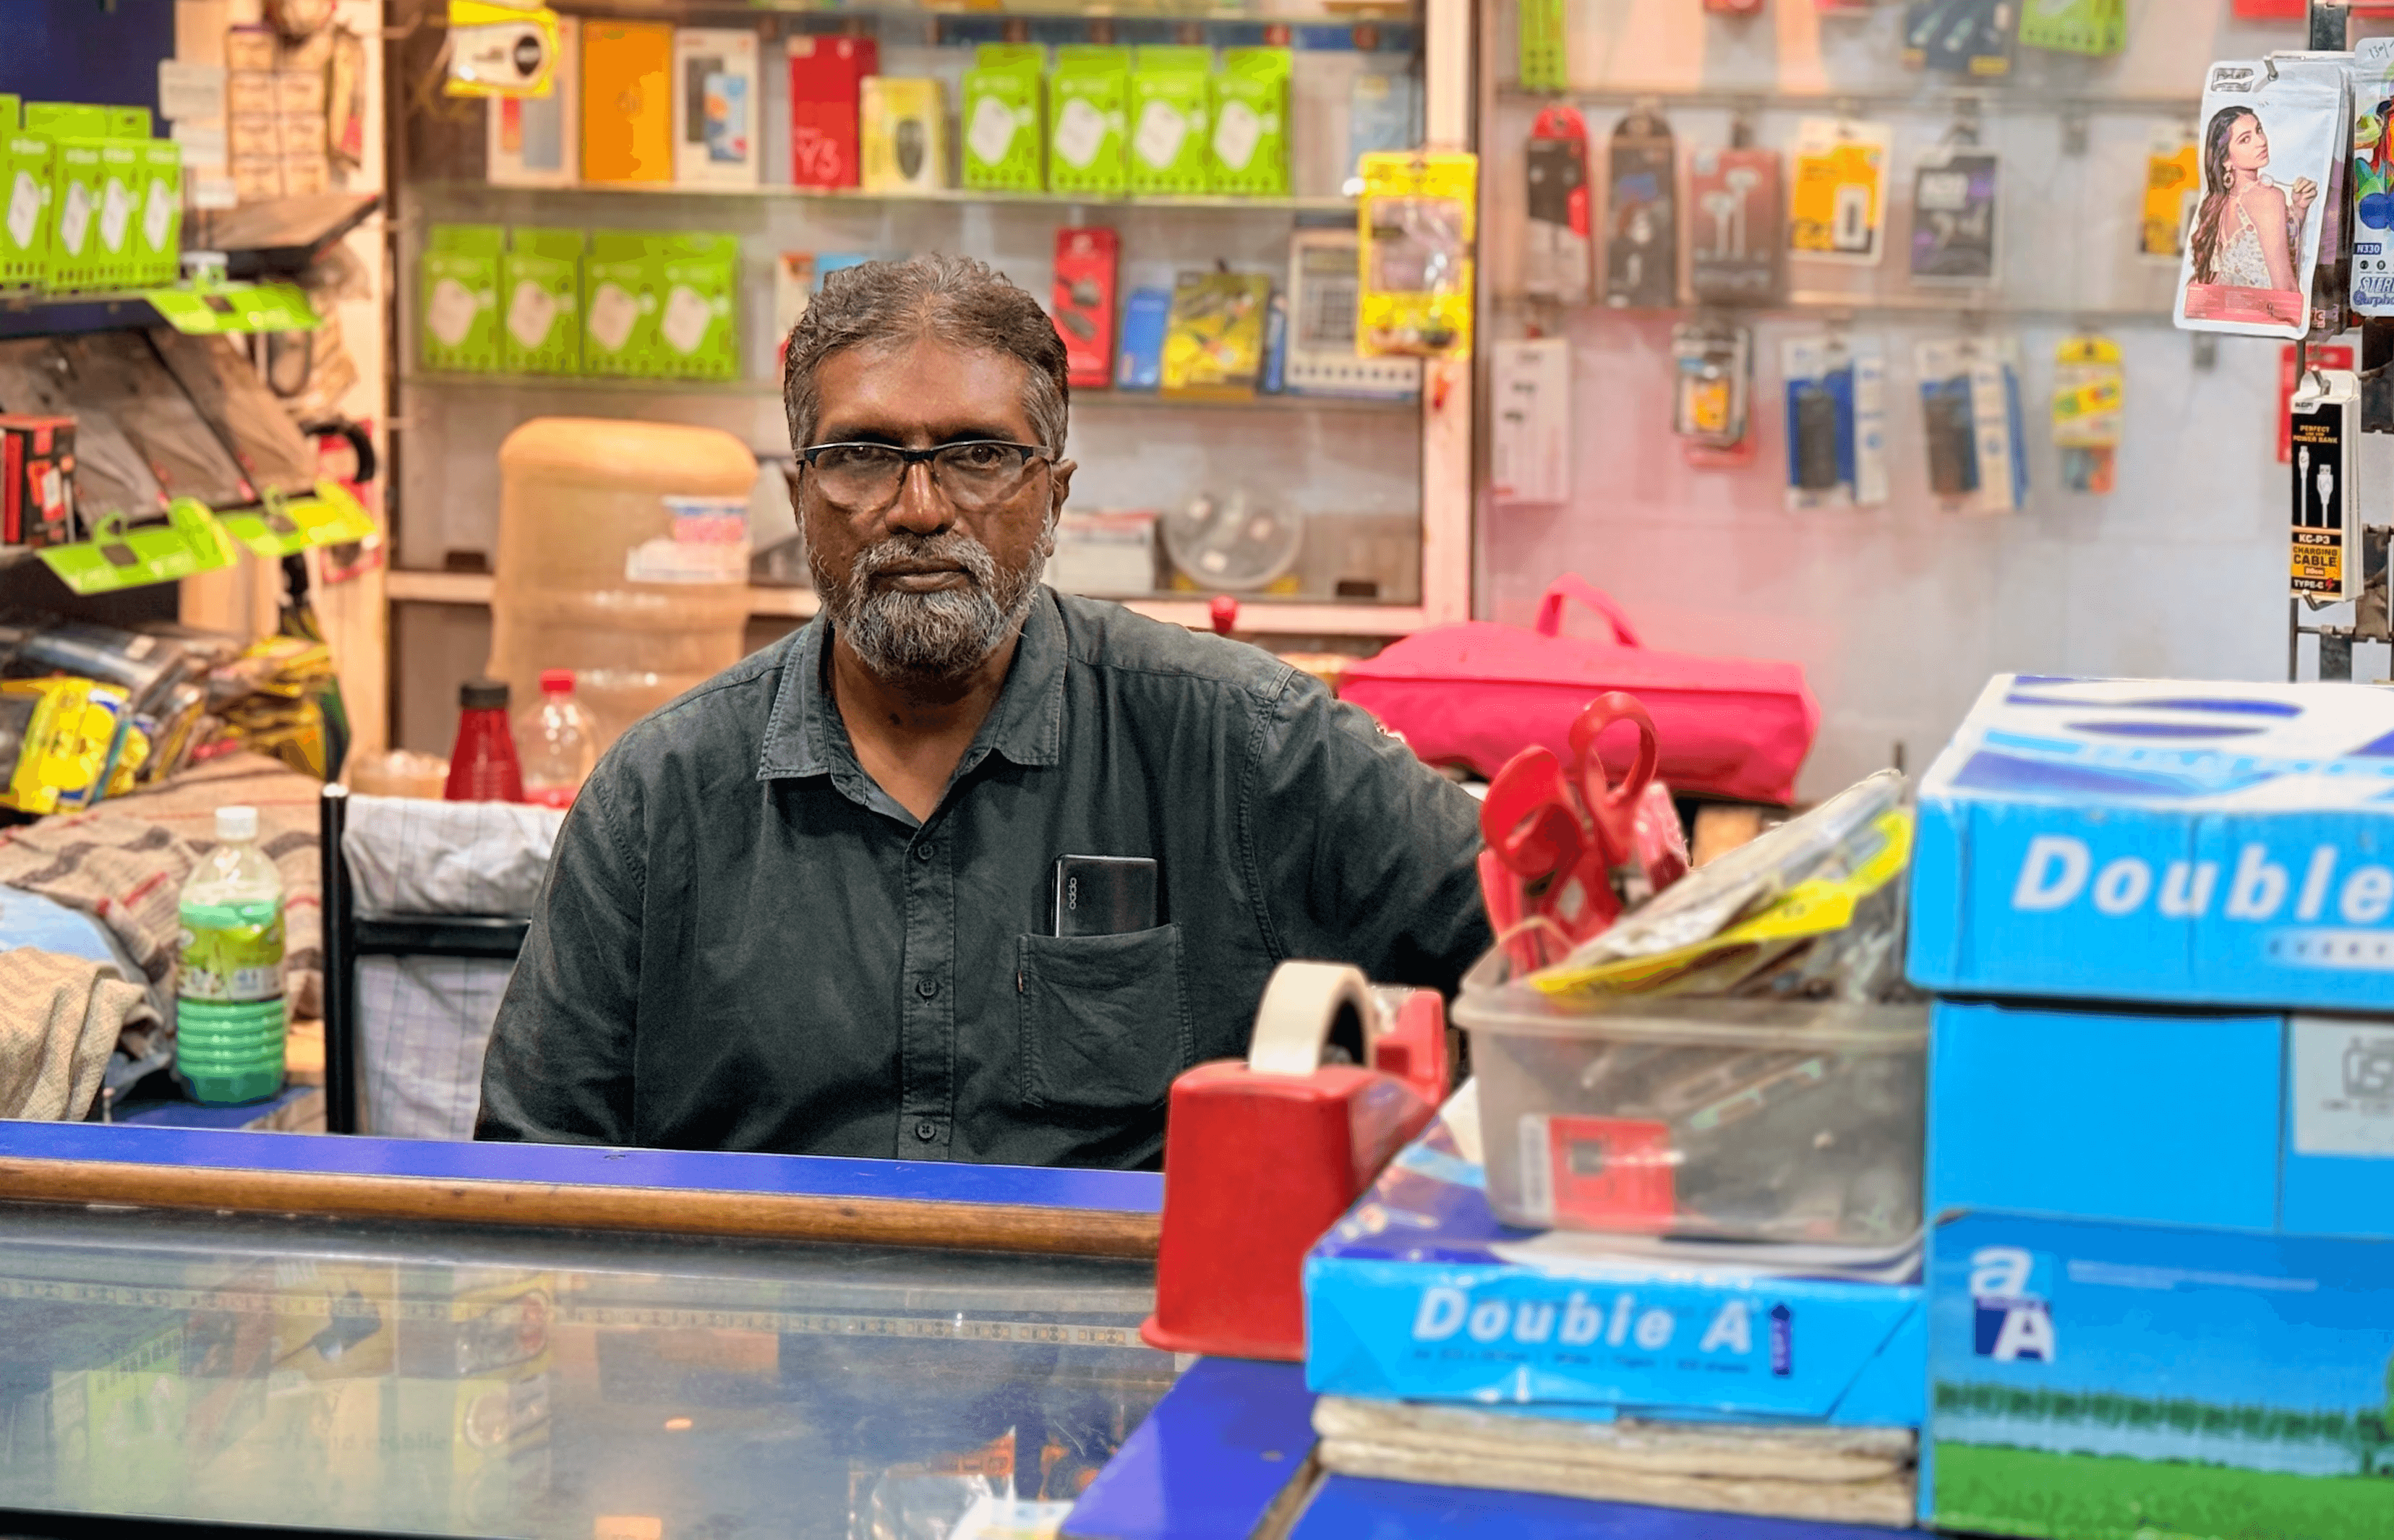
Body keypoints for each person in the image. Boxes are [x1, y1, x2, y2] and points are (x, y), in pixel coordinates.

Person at [475, 254, 1491, 1166]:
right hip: (757, 1356)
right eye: (863, 455)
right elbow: (530, 1162)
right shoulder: (660, 796)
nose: (918, 508)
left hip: (1128, 1362)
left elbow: (1553, 965)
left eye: (976, 455)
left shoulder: (1242, 742)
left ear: (1052, 496)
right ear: (799, 496)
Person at [2189, 105, 2317, 295]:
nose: (2260, 141)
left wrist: (2298, 211)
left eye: (2258, 130)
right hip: (2269, 319)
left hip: (2236, 318)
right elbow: (2284, 287)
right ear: (2226, 160)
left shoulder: (2221, 202)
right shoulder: (2267, 197)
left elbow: (2255, 254)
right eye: (2245, 140)